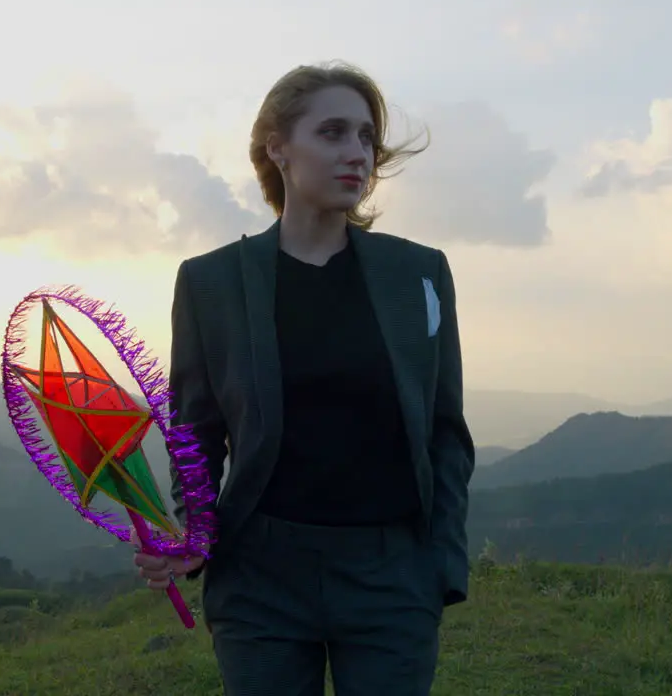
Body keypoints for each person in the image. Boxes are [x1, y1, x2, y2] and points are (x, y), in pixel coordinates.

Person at [134, 61, 475, 696]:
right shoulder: (211, 282)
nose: (358, 155)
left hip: (392, 576)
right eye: (334, 133)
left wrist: (440, 565)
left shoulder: (419, 274)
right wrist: (194, 532)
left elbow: (444, 432)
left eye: (367, 138)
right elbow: (196, 433)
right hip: (260, 576)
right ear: (277, 147)